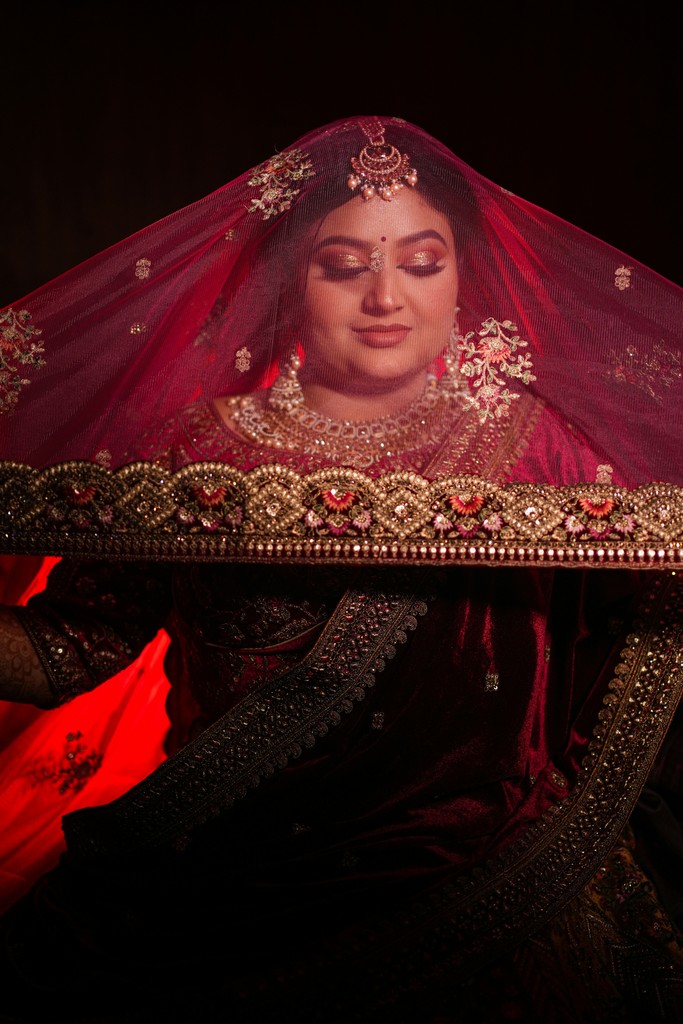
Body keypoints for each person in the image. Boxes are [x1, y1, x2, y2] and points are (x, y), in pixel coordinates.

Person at [0, 115, 681, 1023]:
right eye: (346, 265)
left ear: (463, 279)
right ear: (288, 280)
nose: (386, 298)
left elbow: (641, 623)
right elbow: (72, 650)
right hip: (217, 882)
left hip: (478, 880)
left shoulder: (537, 449)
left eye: (422, 261)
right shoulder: (192, 453)